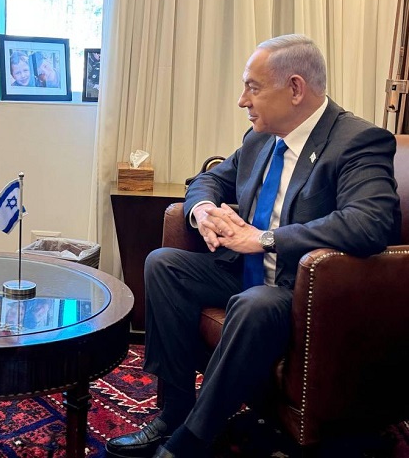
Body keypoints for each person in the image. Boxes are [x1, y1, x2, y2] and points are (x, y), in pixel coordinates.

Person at [106, 34, 401, 458]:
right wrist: (203, 210)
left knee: (255, 303)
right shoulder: (261, 138)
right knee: (163, 263)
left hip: (301, 291)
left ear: (295, 89)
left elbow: (369, 223)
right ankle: (174, 412)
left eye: (253, 88)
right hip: (242, 273)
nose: (242, 100)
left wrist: (264, 239)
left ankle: (191, 441)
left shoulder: (358, 141)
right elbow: (209, 179)